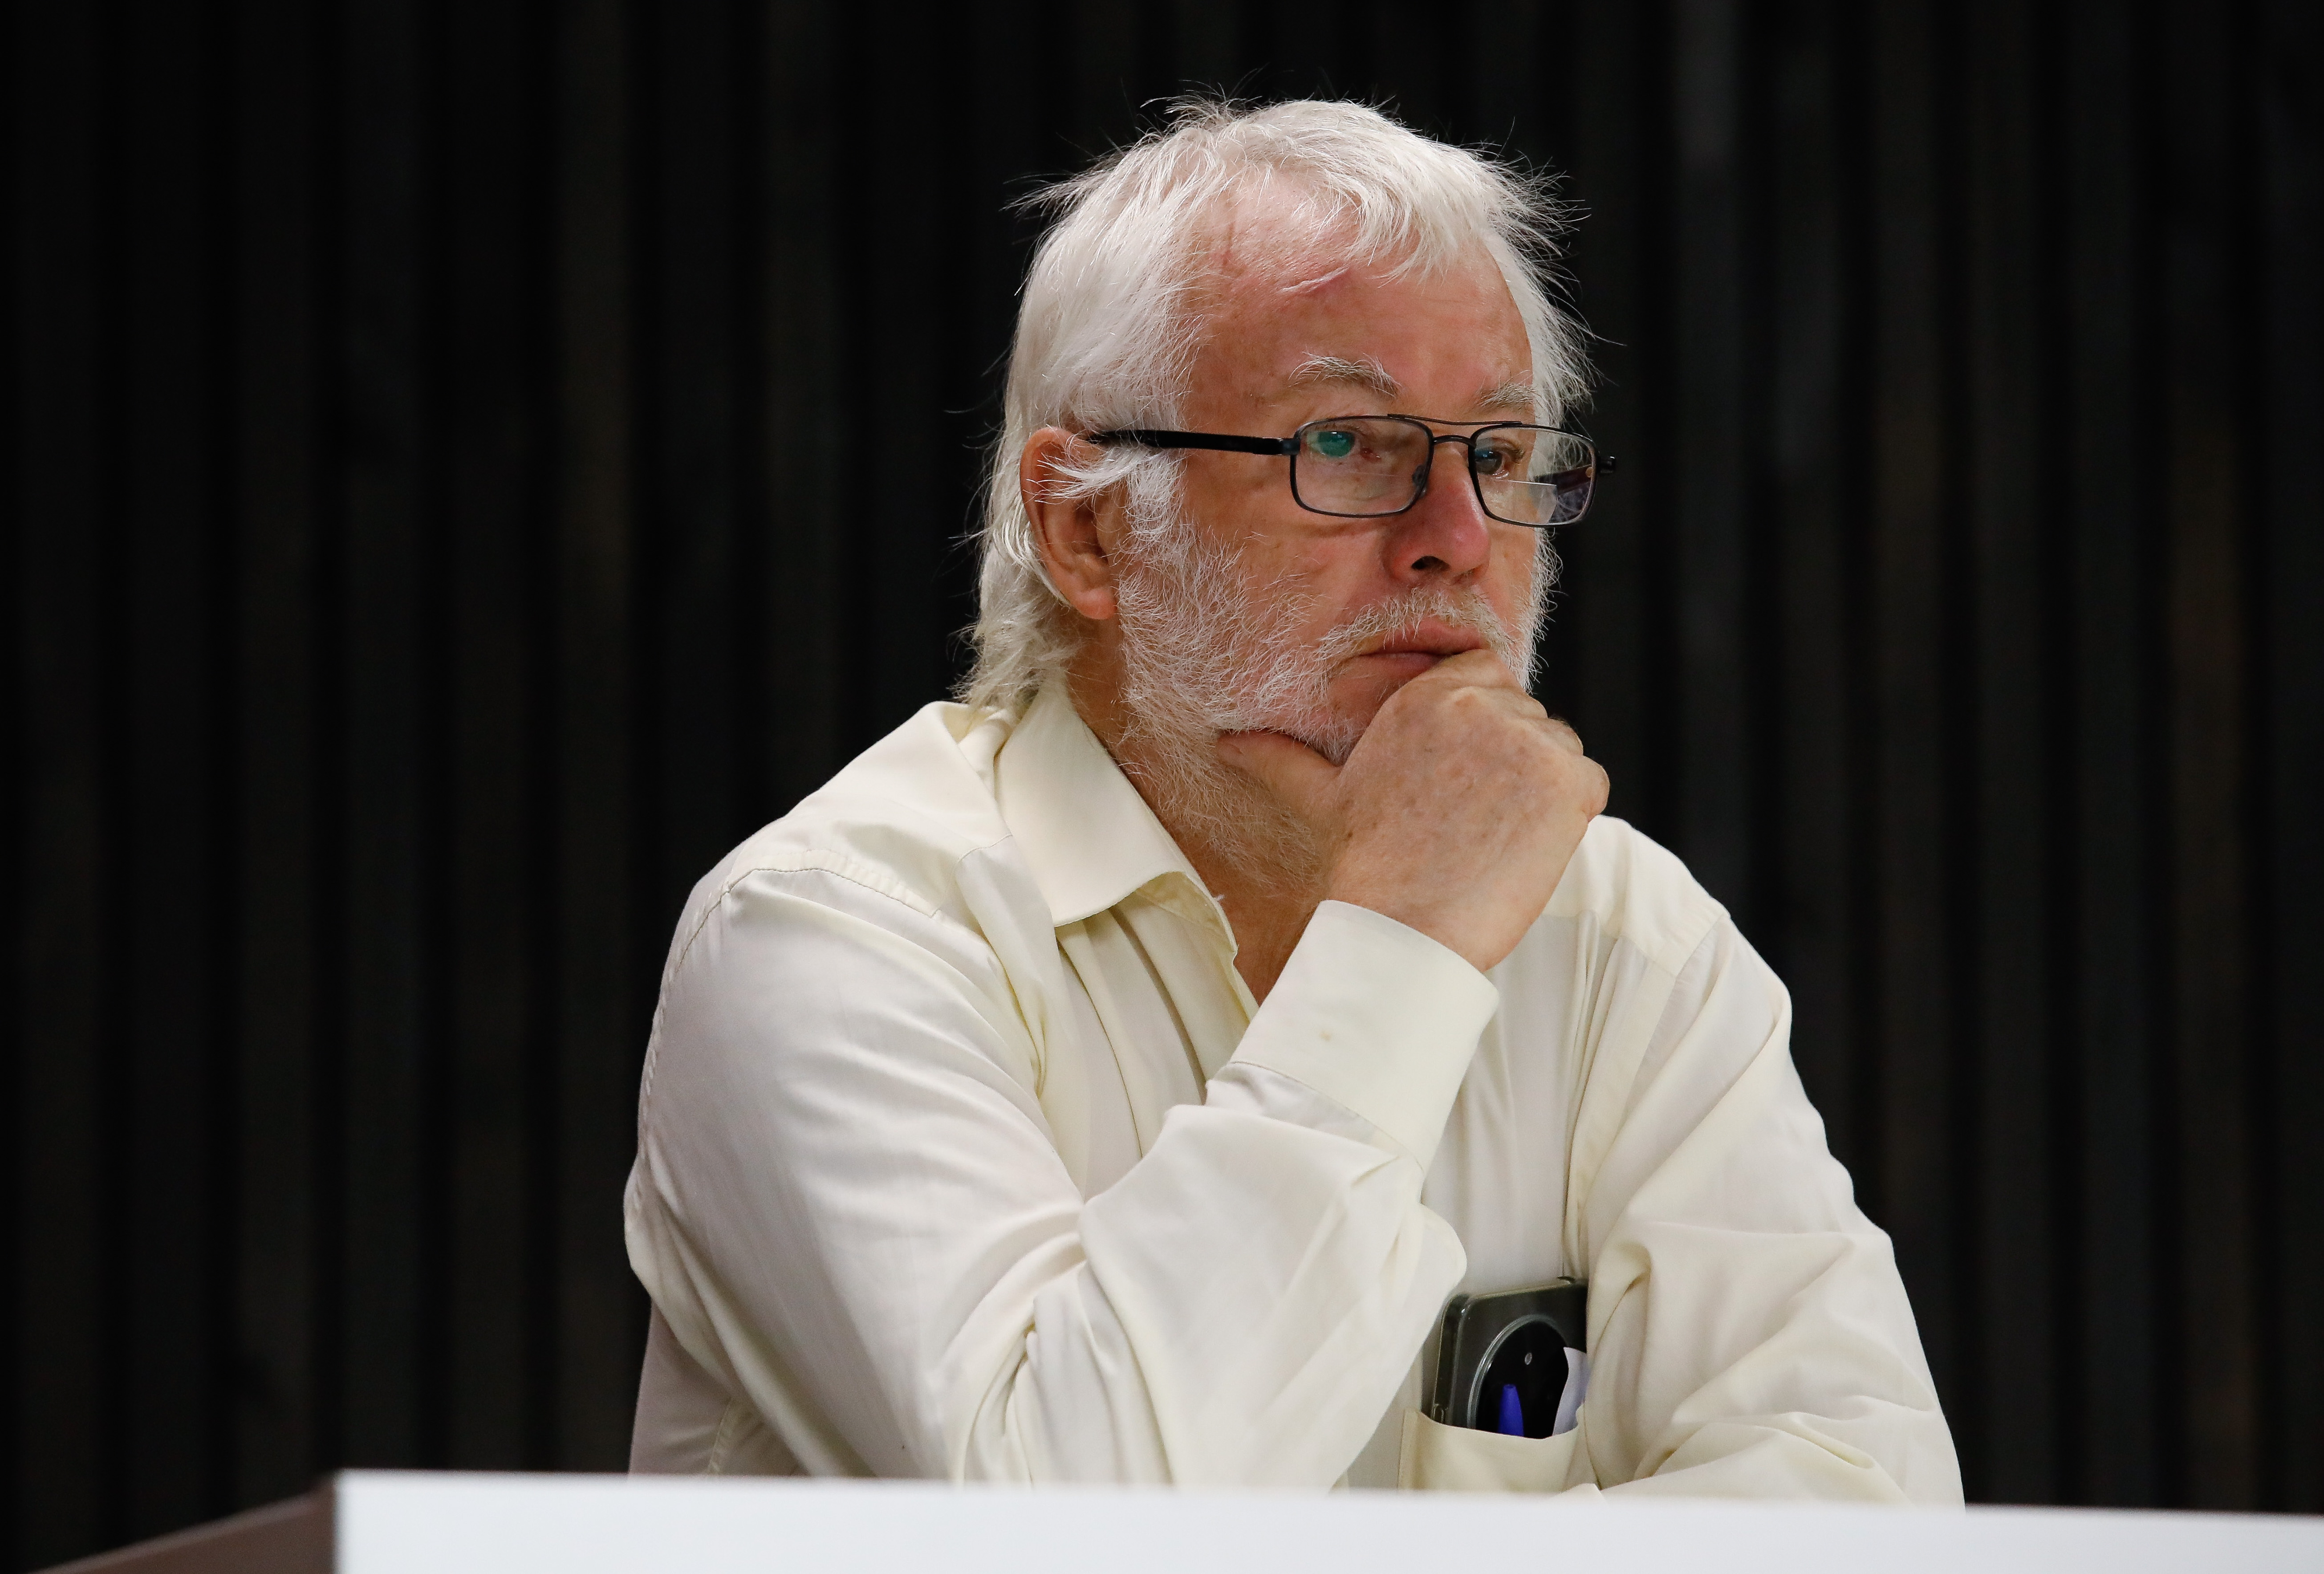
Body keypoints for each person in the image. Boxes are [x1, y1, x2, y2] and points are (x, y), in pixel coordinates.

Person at [622, 98, 1960, 1499]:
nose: (1457, 540)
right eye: (1344, 446)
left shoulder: (1620, 931)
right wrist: (1404, 946)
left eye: (1500, 455)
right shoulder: (827, 934)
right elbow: (1074, 1523)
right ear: (1089, 528)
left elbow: (1863, 1504)